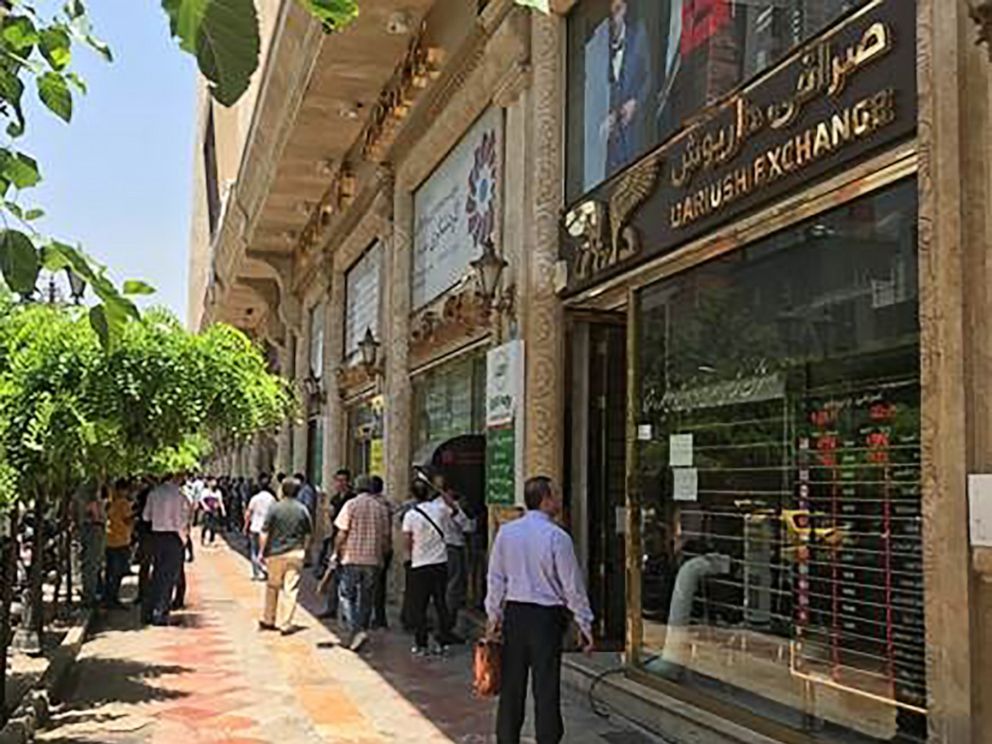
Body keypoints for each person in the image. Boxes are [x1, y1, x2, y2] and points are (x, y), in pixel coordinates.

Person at [485, 476, 594, 744]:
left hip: (515, 614)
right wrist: (584, 622)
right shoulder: (557, 537)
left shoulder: (506, 533)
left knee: (512, 685)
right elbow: (572, 585)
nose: (559, 500)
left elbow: (496, 577)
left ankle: (506, 738)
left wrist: (493, 614)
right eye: (555, 494)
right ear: (545, 499)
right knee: (546, 686)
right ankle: (548, 738)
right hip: (546, 618)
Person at [332, 475, 390, 651]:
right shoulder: (381, 508)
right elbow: (386, 537)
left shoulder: (351, 505)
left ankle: (356, 629)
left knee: (346, 595)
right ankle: (361, 629)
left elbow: (342, 532)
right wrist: (382, 556)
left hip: (352, 558)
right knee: (367, 598)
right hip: (372, 559)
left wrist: (336, 552)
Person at [402, 478, 456, 655]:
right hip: (440, 563)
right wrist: (441, 492)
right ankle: (442, 642)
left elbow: (407, 541)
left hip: (420, 564)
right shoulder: (439, 509)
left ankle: (421, 644)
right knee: (440, 603)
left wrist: (408, 558)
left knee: (420, 606)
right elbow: (454, 508)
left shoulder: (410, 515)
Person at [258, 476, 312, 634]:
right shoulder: (303, 509)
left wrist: (262, 552)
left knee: (272, 586)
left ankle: (269, 618)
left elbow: (264, 531)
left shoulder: (275, 508)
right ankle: (286, 623)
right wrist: (305, 550)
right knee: (291, 588)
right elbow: (308, 534)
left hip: (275, 553)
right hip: (295, 553)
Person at [603, 0, 650, 176]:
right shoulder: (603, 47)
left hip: (636, 126)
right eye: (611, 13)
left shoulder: (638, 35)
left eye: (618, 10)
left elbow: (648, 78)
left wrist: (636, 103)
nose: (614, 17)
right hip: (615, 135)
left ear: (625, 10)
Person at [142, 473, 192, 626]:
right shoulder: (179, 496)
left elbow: (146, 517)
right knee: (169, 576)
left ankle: (148, 612)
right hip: (173, 538)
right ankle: (161, 613)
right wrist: (184, 539)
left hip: (157, 536)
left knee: (156, 573)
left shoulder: (154, 493)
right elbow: (180, 521)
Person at [434, 477, 474, 640]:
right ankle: (446, 627)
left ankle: (440, 624)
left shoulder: (432, 506)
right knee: (453, 588)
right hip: (453, 548)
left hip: (436, 551)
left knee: (441, 588)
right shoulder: (452, 507)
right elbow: (468, 527)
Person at [103, 479, 134, 608]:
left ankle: (108, 597)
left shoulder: (109, 503)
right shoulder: (123, 503)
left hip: (109, 539)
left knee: (110, 571)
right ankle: (112, 599)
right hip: (121, 541)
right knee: (118, 572)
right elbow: (127, 520)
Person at [369, 475, 393, 629]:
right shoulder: (386, 504)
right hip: (384, 549)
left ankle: (376, 618)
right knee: (380, 586)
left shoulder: (373, 505)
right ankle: (380, 617)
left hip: (373, 549)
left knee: (372, 586)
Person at [244, 473, 277, 581]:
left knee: (254, 551)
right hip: (267, 528)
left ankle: (256, 573)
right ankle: (265, 569)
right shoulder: (272, 499)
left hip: (255, 527)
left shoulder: (255, 498)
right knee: (266, 551)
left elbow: (248, 513)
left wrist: (245, 526)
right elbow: (275, 513)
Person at [199, 477, 226, 546]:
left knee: (213, 526)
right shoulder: (205, 491)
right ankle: (203, 538)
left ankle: (211, 540)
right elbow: (201, 500)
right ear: (209, 483)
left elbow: (220, 501)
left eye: (215, 482)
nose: (214, 483)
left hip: (214, 510)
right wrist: (205, 506)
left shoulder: (218, 492)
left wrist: (223, 510)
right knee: (205, 525)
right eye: (212, 482)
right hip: (207, 510)